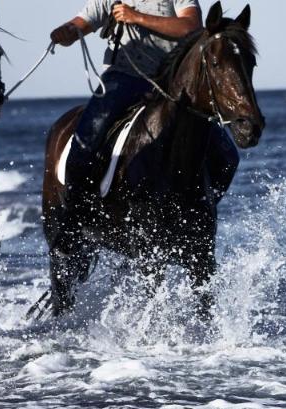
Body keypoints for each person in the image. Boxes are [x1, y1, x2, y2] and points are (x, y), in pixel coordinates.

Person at [48, 1, 206, 254]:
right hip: (124, 76)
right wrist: (65, 32)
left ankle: (204, 206)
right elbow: (81, 24)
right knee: (86, 139)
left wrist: (137, 17)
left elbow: (191, 27)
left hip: (173, 83)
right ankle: (74, 219)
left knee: (223, 146)